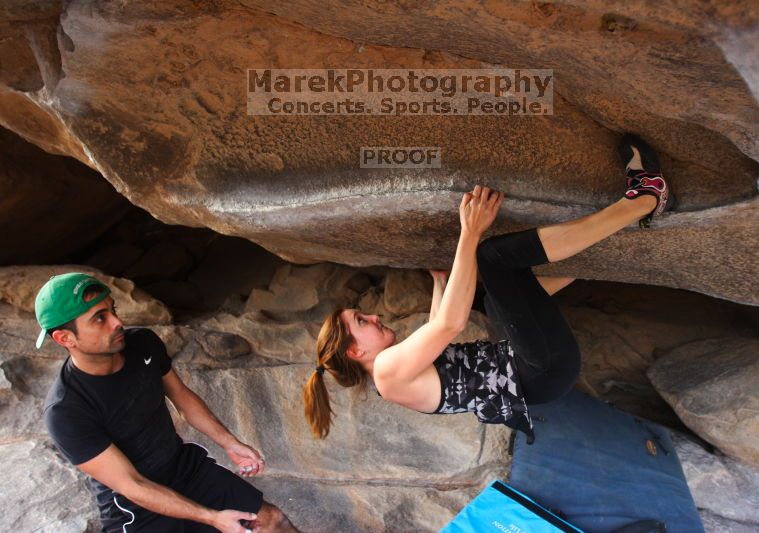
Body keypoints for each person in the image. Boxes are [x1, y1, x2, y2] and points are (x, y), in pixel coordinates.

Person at [303, 134, 674, 441]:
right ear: (354, 351)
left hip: (540, 373)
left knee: (493, 305)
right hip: (541, 369)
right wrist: (470, 233)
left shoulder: (392, 371)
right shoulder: (385, 370)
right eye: (361, 322)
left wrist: (439, 282)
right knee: (493, 258)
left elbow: (439, 332)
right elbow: (449, 325)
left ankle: (594, 258)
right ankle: (646, 197)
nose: (373, 315)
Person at [37, 273, 299, 532]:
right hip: (135, 507)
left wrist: (230, 443)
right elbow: (133, 485)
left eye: (112, 310)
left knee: (272, 521)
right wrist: (212, 518)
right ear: (64, 338)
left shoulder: (142, 344)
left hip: (183, 468)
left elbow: (182, 397)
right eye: (99, 319)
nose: (117, 322)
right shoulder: (66, 411)